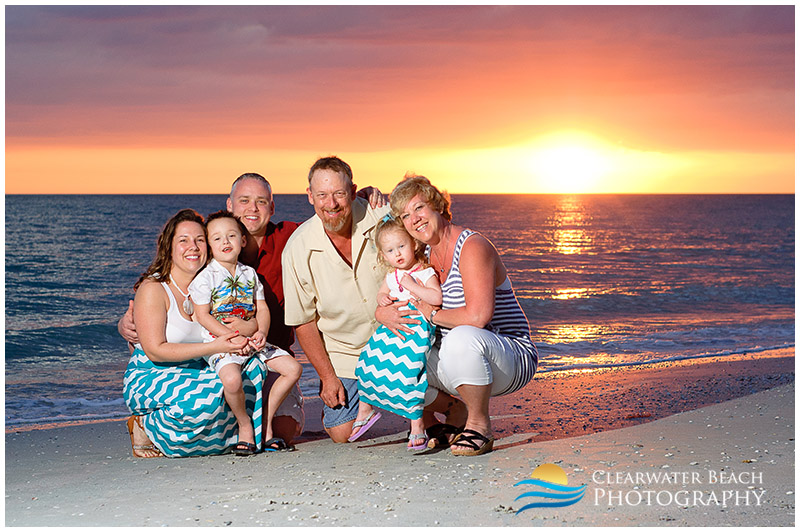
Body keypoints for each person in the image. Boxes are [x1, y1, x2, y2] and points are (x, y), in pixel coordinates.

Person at [119, 172, 384, 445]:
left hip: (266, 353)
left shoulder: (292, 238)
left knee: (284, 432)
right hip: (218, 356)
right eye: (244, 200)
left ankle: (259, 424)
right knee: (219, 405)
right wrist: (130, 320)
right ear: (229, 205)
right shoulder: (211, 241)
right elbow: (173, 277)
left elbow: (330, 216)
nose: (252, 209)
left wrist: (358, 198)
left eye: (260, 201)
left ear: (272, 207)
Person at [378, 174, 538, 456]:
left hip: (508, 357)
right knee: (396, 349)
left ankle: (479, 426)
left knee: (461, 338)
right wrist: (383, 314)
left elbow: (478, 316)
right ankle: (442, 419)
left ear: (438, 205)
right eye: (405, 215)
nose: (414, 219)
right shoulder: (421, 255)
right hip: (460, 361)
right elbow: (393, 296)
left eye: (419, 208)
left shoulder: (472, 246)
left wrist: (432, 314)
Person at [123, 209, 274, 457]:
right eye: (183, 240)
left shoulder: (213, 283)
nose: (192, 247)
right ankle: (145, 426)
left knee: (248, 376)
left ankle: (229, 436)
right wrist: (217, 347)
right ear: (168, 247)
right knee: (203, 401)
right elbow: (155, 351)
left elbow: (245, 321)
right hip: (155, 371)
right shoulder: (154, 288)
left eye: (199, 240)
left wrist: (246, 332)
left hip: (201, 366)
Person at [282, 156, 391, 443]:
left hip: (399, 337)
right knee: (342, 433)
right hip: (347, 353)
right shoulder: (298, 247)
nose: (331, 203)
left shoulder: (381, 216)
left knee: (427, 397)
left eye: (339, 193)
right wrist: (328, 377)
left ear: (353, 191)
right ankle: (372, 393)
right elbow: (303, 321)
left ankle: (444, 405)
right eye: (322, 195)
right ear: (310, 196)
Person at [188, 211, 302, 454]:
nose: (225, 242)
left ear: (242, 240)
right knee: (231, 379)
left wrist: (261, 331)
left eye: (231, 236)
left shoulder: (249, 274)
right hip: (222, 342)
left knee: (293, 369)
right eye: (217, 238)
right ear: (209, 245)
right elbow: (203, 315)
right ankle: (245, 425)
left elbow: (262, 308)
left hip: (253, 340)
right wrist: (231, 337)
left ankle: (266, 424)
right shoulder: (205, 277)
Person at [351, 214, 442, 450]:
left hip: (415, 331)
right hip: (390, 330)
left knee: (409, 374)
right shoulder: (391, 275)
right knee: (367, 362)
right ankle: (366, 409)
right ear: (383, 255)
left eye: (402, 246)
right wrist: (383, 299)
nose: (398, 254)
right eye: (391, 250)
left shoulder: (424, 272)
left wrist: (412, 286)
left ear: (414, 244)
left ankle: (417, 425)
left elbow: (436, 297)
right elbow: (382, 294)